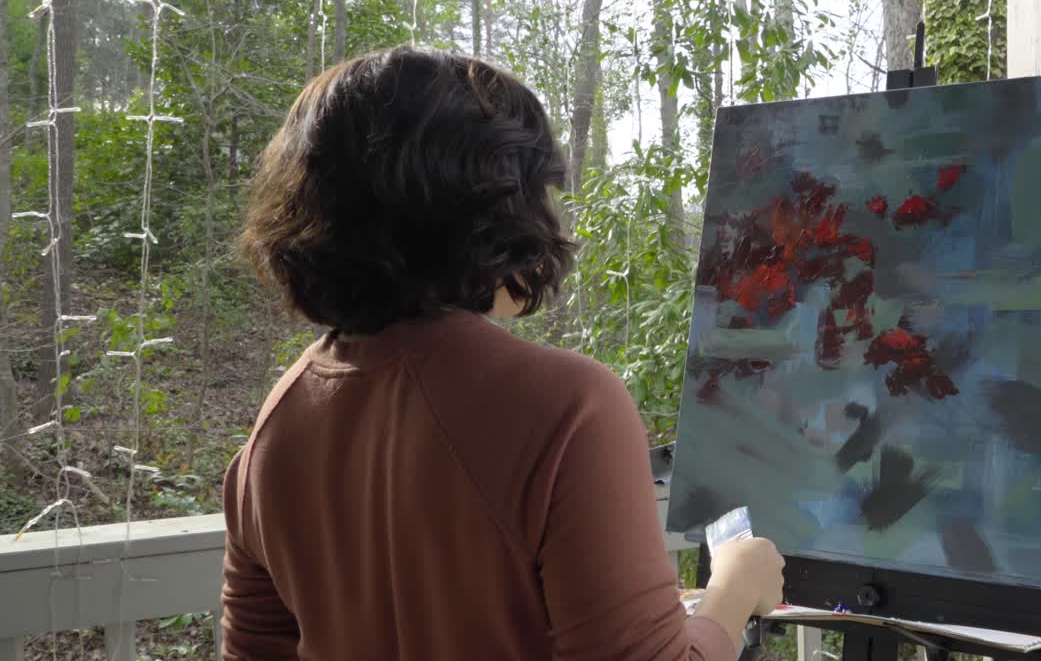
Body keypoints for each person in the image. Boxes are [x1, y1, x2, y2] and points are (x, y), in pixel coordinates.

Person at [221, 46, 785, 660]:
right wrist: (732, 589)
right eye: (537, 187)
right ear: (492, 208)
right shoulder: (567, 408)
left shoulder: (275, 425)